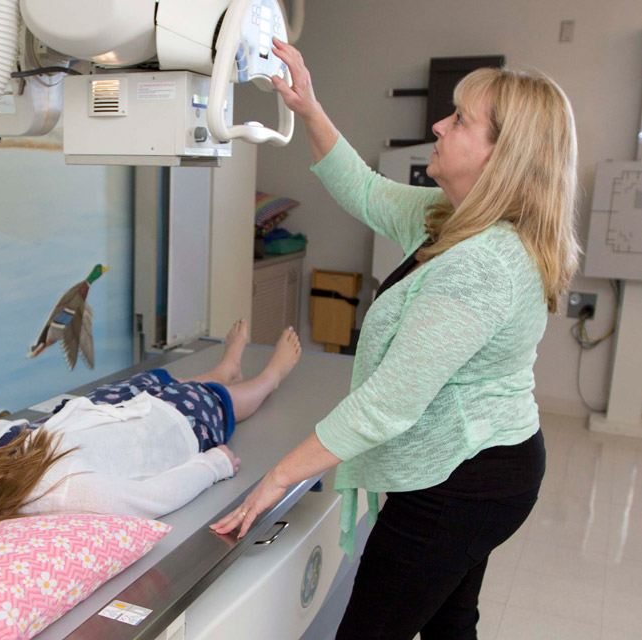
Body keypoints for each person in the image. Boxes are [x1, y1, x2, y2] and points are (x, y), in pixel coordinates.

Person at [212, 38, 579, 639]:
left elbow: (388, 403)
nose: (439, 123)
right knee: (450, 626)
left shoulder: (484, 265)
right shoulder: (453, 218)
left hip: (465, 483)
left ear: (502, 155)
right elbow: (363, 189)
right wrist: (307, 107)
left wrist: (280, 475)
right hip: (483, 465)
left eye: (460, 119)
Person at [0, 321, 302, 562]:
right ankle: (266, 378)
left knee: (164, 380)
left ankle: (224, 368)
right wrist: (214, 465)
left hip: (103, 411)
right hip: (168, 431)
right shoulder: (59, 492)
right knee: (212, 399)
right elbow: (150, 498)